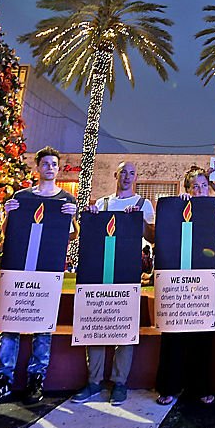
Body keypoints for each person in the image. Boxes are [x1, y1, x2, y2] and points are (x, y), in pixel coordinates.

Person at [0, 147, 78, 407]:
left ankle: (37, 378)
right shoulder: (21, 197)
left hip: (48, 269)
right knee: (11, 323)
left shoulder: (67, 200)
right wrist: (8, 214)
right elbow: (7, 233)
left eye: (54, 164)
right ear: (37, 168)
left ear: (58, 169)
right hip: (19, 268)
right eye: (45, 163)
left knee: (43, 326)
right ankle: (4, 378)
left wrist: (73, 220)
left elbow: (71, 236)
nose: (49, 167)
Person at [72, 160, 156, 407]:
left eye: (132, 173)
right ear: (115, 175)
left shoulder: (143, 204)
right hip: (102, 270)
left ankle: (119, 382)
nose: (128, 177)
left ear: (136, 177)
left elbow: (151, 236)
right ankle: (94, 381)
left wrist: (138, 222)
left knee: (124, 328)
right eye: (124, 173)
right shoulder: (103, 203)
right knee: (97, 324)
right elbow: (89, 234)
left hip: (127, 271)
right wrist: (90, 217)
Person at [154, 167, 215, 406]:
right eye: (194, 186)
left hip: (204, 283)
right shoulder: (177, 208)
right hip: (177, 284)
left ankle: (201, 386)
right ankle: (169, 386)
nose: (200, 190)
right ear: (187, 189)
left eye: (204, 185)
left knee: (202, 337)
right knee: (173, 335)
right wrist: (178, 207)